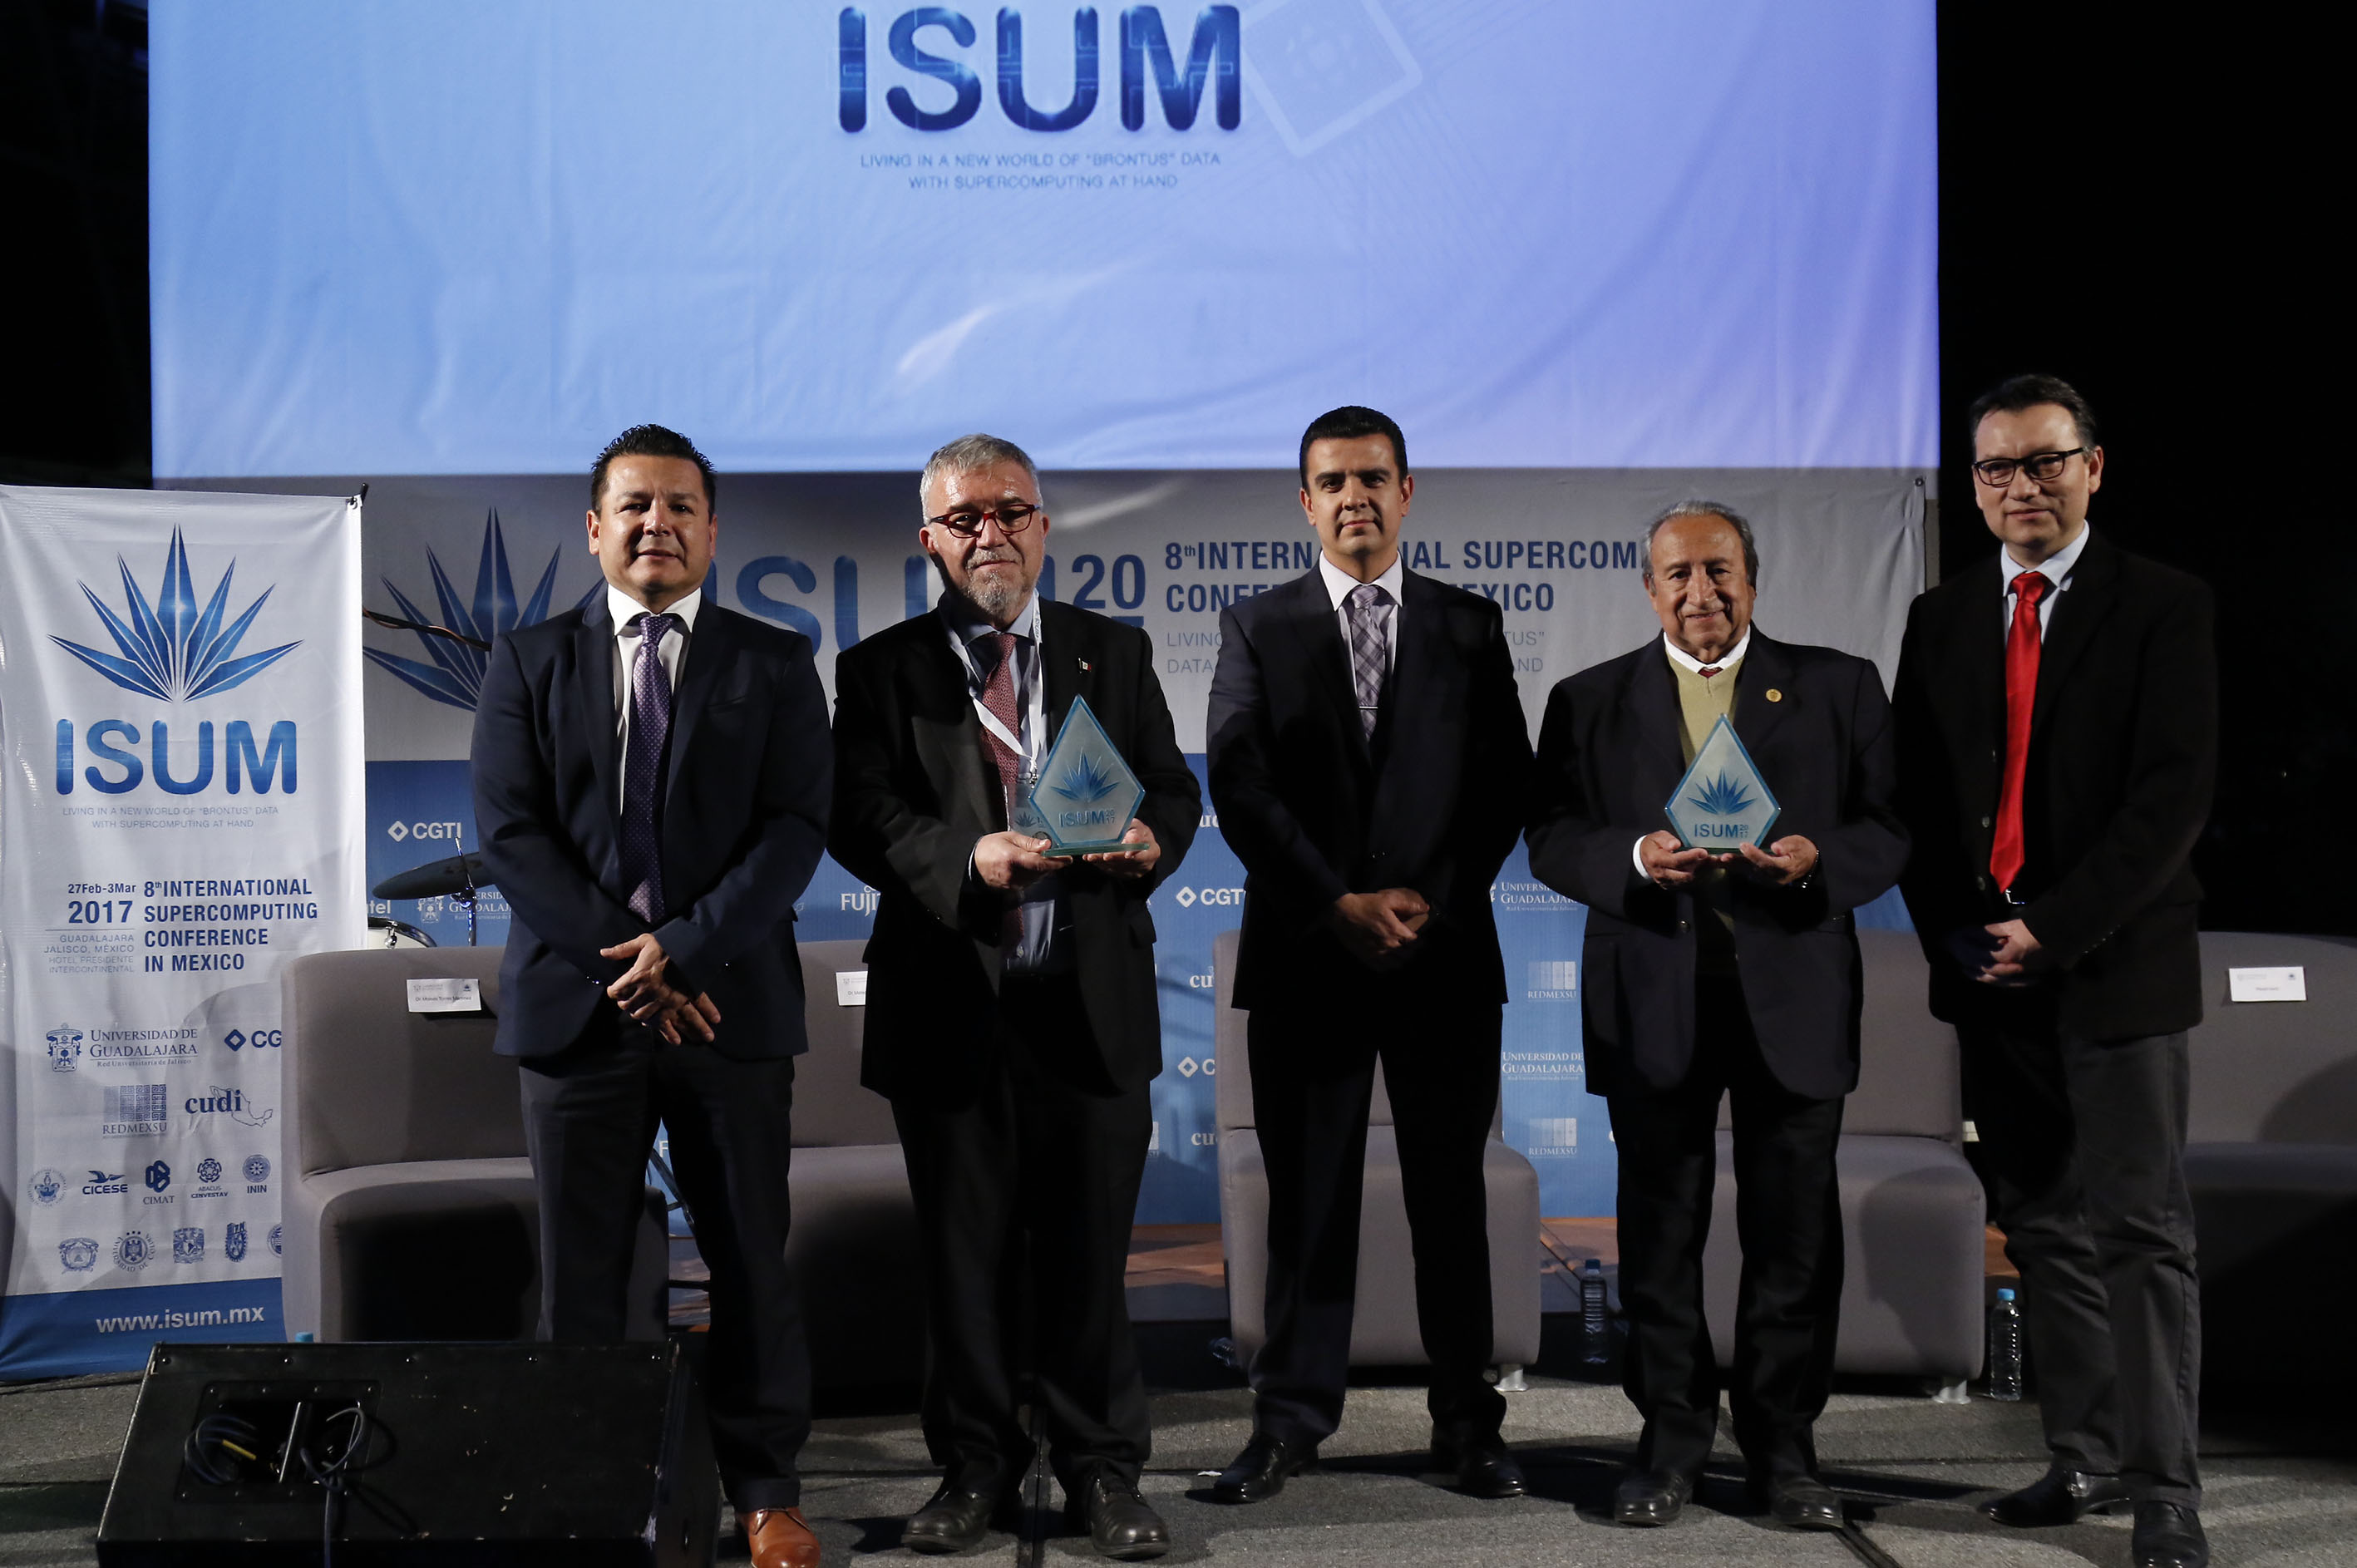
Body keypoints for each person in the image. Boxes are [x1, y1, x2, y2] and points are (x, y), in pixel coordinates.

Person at [829, 434, 1199, 1561]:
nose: (989, 532)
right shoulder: (880, 668)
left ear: (1042, 523)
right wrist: (966, 857)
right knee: (964, 1261)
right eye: (964, 518)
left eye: (1010, 511)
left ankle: (1101, 1469)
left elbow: (1171, 787)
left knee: (1090, 1260)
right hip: (953, 1006)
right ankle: (974, 1469)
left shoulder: (1113, 650)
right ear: (930, 539)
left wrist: (1152, 839)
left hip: (1089, 1004)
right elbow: (859, 813)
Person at [471, 424, 832, 1568]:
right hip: (578, 1013)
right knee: (583, 1276)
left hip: (729, 1007)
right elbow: (512, 836)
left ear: (713, 529)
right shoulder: (528, 659)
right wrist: (630, 963)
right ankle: (589, 1492)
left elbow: (794, 830)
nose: (656, 524)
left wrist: (683, 950)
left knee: (750, 1261)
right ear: (594, 528)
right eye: (634, 505)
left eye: (680, 505)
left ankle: (766, 1492)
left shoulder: (774, 661)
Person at [1526, 501, 1907, 1531]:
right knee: (1660, 1232)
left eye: (1720, 569)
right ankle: (1671, 1443)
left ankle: (1785, 1450)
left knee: (1794, 1236)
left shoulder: (1839, 685)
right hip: (1652, 993)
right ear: (1650, 589)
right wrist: (1635, 856)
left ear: (1754, 577)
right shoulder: (1588, 698)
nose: (1702, 591)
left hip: (1795, 992)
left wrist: (1819, 859)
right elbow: (1551, 835)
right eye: (1680, 574)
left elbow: (1890, 825)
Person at [1894, 374, 2216, 1568]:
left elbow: (2170, 799)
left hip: (2115, 966)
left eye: (2043, 461)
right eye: (1996, 467)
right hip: (1991, 974)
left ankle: (2164, 1490)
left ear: (2092, 468)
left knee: (2140, 1232)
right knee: (2040, 1223)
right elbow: (1916, 800)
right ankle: (2081, 1452)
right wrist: (1956, 932)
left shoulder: (2163, 605)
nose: (2019, 485)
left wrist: (2059, 926)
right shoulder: (1939, 618)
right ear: (1975, 486)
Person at [1204, 405, 1533, 1504]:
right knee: (1306, 1208)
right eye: (1334, 481)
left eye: (1373, 477)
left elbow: (1503, 782)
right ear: (1305, 502)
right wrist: (1335, 901)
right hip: (1308, 958)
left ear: (1406, 491)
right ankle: (1288, 1422)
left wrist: (1425, 901)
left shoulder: (1470, 624)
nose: (1355, 497)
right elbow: (1240, 784)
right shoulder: (1255, 625)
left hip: (1442, 960)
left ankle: (1468, 1423)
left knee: (1451, 1203)